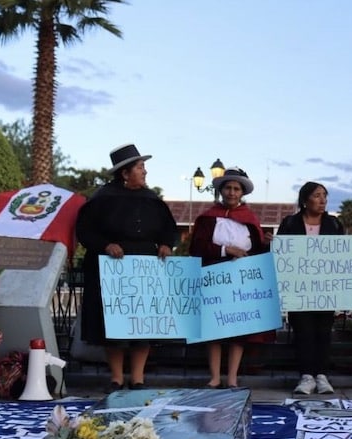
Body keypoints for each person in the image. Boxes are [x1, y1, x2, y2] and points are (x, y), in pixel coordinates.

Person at [75, 144, 178, 393]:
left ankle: (139, 378)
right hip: (112, 266)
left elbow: (169, 228)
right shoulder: (102, 199)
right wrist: (105, 245)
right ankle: (117, 377)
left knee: (143, 324)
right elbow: (85, 231)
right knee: (115, 325)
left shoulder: (152, 199)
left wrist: (166, 244)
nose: (145, 172)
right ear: (125, 173)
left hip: (145, 266)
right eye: (140, 167)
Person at [190, 167, 274, 390]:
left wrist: (267, 244)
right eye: (228, 188)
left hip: (241, 281)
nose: (232, 192)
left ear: (242, 193)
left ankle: (232, 377)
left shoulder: (250, 221)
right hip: (214, 277)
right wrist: (226, 250)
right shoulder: (207, 218)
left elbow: (257, 253)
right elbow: (197, 247)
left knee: (239, 330)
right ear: (221, 190)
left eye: (236, 189)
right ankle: (215, 376)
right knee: (214, 329)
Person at [276, 181, 343, 395]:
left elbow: (343, 252)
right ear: (305, 200)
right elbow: (282, 254)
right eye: (317, 195)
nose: (322, 200)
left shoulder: (334, 224)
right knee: (303, 330)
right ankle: (306, 376)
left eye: (325, 195)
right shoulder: (290, 223)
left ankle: (321, 375)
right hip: (299, 288)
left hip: (325, 288)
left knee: (324, 331)